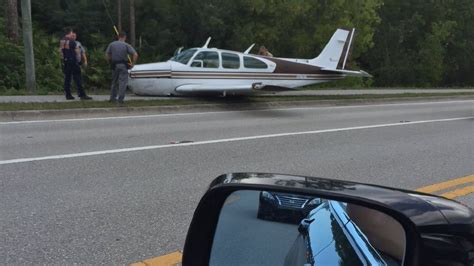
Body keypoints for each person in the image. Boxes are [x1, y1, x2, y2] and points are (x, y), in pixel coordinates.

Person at [105, 31, 138, 104]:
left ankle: (112, 98)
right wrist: (133, 64)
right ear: (124, 37)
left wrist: (109, 62)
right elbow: (135, 54)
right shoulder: (126, 45)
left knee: (114, 82)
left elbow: (107, 54)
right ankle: (120, 99)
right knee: (122, 82)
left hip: (114, 65)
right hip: (123, 65)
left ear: (118, 36)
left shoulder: (112, 44)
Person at [60, 29, 92, 100]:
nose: (72, 35)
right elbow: (77, 52)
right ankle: (82, 94)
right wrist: (79, 61)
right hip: (73, 61)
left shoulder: (62, 41)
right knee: (78, 78)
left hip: (66, 61)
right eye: (71, 33)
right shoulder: (72, 42)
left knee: (67, 78)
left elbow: (61, 52)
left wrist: (63, 61)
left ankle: (68, 95)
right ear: (68, 33)